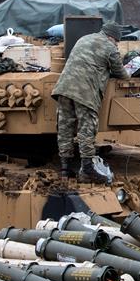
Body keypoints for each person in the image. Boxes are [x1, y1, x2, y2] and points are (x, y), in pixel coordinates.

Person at [51, 22, 127, 183]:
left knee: (65, 128)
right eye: (117, 41)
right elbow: (122, 74)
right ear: (112, 37)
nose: (116, 44)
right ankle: (87, 169)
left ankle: (65, 169)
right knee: (87, 129)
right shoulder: (110, 47)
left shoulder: (83, 39)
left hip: (64, 87)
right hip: (85, 91)